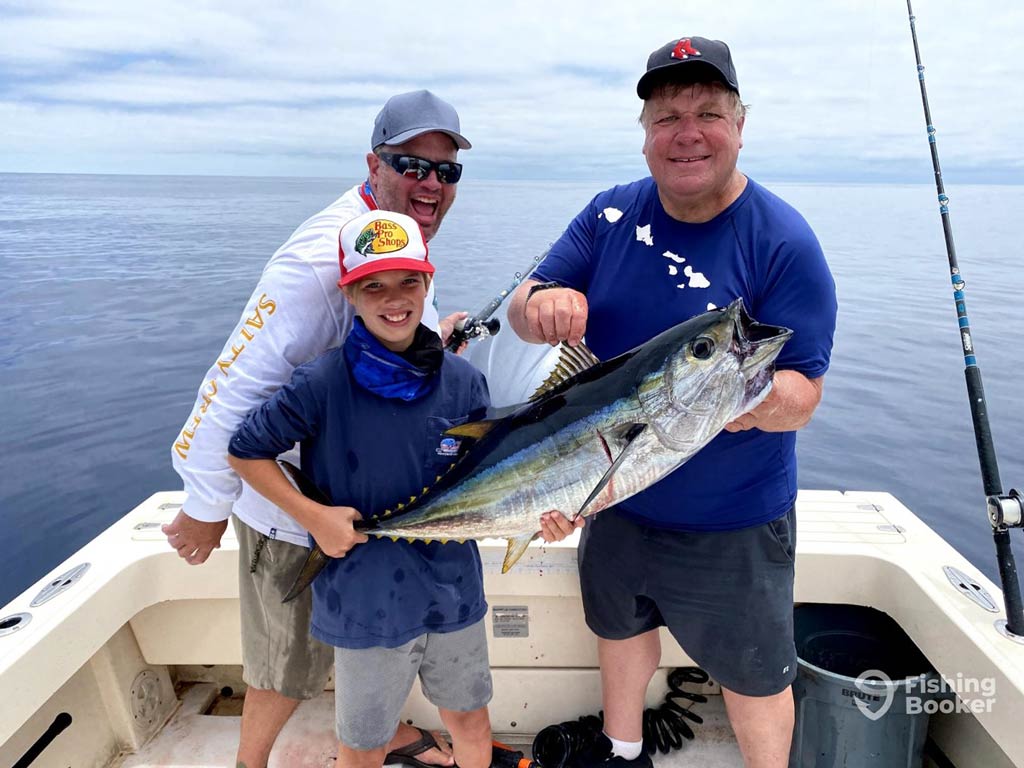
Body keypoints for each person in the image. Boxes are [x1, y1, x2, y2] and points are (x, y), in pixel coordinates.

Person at [508, 37, 838, 768]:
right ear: (646, 134)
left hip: (734, 522)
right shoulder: (609, 215)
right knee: (619, 630)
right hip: (614, 498)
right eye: (666, 118)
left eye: (707, 113)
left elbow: (804, 395)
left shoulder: (783, 243)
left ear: (740, 124)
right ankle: (623, 752)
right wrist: (544, 304)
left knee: (755, 674)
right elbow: (524, 304)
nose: (687, 133)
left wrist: (738, 394)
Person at [166, 90, 476, 768]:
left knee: (364, 633)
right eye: (411, 165)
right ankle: (249, 764)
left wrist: (434, 337)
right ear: (374, 163)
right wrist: (202, 507)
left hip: (358, 487)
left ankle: (381, 731)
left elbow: (388, 327)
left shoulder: (396, 232)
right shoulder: (314, 264)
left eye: (445, 171)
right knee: (288, 660)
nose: (430, 183)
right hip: (284, 501)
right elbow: (230, 391)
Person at [227, 210, 577, 768]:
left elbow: (492, 478)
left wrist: (546, 512)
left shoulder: (463, 382)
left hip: (452, 589)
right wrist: (312, 517)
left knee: (471, 719)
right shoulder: (320, 383)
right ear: (350, 293)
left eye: (408, 281)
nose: (394, 299)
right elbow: (245, 450)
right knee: (363, 743)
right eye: (374, 286)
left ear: (428, 281)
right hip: (362, 601)